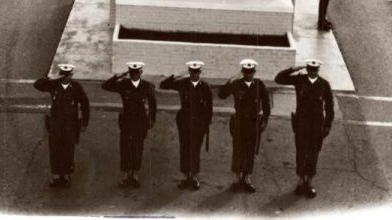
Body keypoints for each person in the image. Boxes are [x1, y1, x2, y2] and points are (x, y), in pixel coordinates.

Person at [274, 59, 334, 198]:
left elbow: (329, 107)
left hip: (317, 125)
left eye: (315, 70)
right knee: (301, 152)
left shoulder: (324, 84)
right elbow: (279, 79)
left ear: (318, 70)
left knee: (313, 154)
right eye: (309, 69)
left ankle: (309, 182)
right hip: (301, 124)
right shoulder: (300, 80)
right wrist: (293, 69)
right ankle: (301, 181)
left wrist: (327, 125)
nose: (312, 72)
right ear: (306, 69)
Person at [218, 59, 271, 193]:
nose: (248, 74)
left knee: (250, 151)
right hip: (239, 122)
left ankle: (247, 178)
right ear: (242, 72)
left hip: (253, 123)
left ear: (254, 72)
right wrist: (229, 81)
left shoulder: (259, 85)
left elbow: (266, 104)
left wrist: (265, 120)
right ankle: (237, 178)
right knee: (238, 150)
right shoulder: (236, 84)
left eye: (251, 72)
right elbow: (221, 95)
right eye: (246, 72)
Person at [33, 63, 90, 188]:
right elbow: (37, 84)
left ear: (71, 75)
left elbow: (85, 104)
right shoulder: (54, 85)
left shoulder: (76, 87)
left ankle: (66, 175)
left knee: (68, 149)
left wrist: (84, 122)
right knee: (55, 149)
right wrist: (51, 79)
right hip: (56, 123)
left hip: (70, 124)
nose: (64, 78)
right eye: (62, 75)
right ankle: (56, 175)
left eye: (67, 75)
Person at [102, 61, 157, 188]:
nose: (134, 75)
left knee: (137, 147)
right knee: (125, 147)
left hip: (140, 122)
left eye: (136, 73)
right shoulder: (124, 84)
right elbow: (105, 86)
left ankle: (135, 173)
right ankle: (126, 173)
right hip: (126, 121)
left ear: (141, 72)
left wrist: (152, 120)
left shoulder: (147, 86)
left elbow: (153, 104)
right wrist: (118, 76)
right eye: (131, 73)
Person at [160, 61, 213, 191]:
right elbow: (163, 85)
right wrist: (175, 75)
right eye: (192, 72)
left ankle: (194, 177)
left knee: (195, 150)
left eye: (197, 72)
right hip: (184, 121)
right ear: (189, 72)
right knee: (184, 149)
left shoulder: (205, 87)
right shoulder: (182, 84)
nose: (194, 75)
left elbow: (209, 108)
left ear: (200, 73)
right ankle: (185, 176)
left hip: (198, 123)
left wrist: (206, 124)